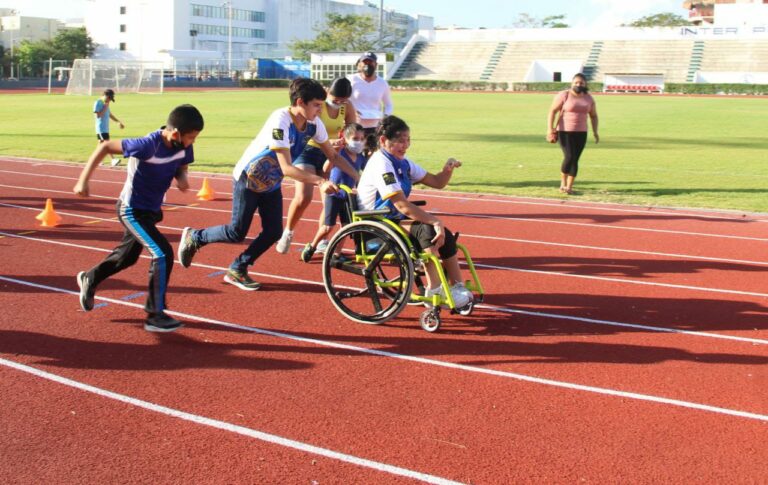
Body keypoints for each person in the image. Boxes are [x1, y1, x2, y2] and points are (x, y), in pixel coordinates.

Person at [177, 78, 357, 290]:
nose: (321, 110)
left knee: (273, 232)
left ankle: (238, 268)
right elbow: (287, 168)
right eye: (317, 105)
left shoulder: (314, 124)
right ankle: (194, 237)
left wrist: (359, 177)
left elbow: (333, 155)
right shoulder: (280, 120)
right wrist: (320, 181)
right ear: (300, 102)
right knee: (236, 232)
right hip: (248, 177)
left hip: (270, 182)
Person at [74, 104, 204, 332]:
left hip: (151, 211)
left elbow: (182, 165)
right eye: (190, 137)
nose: (192, 142)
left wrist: (182, 177)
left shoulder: (184, 147)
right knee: (162, 253)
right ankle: (155, 314)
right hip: (131, 210)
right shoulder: (147, 145)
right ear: (175, 133)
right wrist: (83, 180)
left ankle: (90, 278)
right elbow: (105, 146)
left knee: (127, 257)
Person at [356, 115, 471, 308]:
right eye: (400, 141)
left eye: (408, 140)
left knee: (446, 235)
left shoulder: (402, 161)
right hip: (375, 225)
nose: (406, 145)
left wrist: (448, 169)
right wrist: (434, 221)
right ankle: (434, 289)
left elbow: (436, 182)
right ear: (384, 141)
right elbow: (400, 205)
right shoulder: (381, 164)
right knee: (427, 231)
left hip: (393, 221)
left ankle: (457, 286)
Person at [276, 77, 357, 254]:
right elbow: (308, 128)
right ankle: (288, 231)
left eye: (343, 101)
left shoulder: (347, 107)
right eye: (336, 100)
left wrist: (348, 141)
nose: (339, 104)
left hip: (329, 153)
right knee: (304, 196)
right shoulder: (318, 104)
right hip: (307, 150)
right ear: (328, 93)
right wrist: (330, 141)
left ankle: (323, 240)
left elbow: (352, 130)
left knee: (330, 199)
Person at [300, 122, 367, 263]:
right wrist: (333, 155)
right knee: (327, 227)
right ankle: (312, 246)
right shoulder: (339, 153)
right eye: (355, 138)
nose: (359, 142)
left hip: (348, 197)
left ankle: (337, 254)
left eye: (361, 139)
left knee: (347, 227)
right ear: (345, 139)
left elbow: (363, 175)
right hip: (334, 194)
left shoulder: (360, 157)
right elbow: (325, 169)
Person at [546, 73, 599, 194]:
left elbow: (594, 116)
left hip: (581, 132)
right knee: (569, 156)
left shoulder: (589, 98)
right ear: (572, 83)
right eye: (576, 82)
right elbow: (552, 111)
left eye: (581, 83)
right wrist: (549, 129)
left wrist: (595, 132)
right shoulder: (564, 95)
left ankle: (569, 187)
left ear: (585, 84)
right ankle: (563, 183)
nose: (578, 84)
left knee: (575, 159)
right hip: (564, 131)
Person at [349, 52, 393, 157]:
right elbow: (344, 100)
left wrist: (385, 118)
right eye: (365, 62)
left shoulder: (382, 83)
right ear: (359, 64)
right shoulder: (351, 80)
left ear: (376, 65)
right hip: (355, 125)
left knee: (372, 157)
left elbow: (388, 104)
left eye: (370, 62)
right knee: (354, 155)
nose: (367, 65)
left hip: (374, 126)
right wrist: (352, 112)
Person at [93, 88, 125, 167]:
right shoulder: (98, 102)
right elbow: (98, 115)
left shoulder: (105, 103)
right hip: (100, 128)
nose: (110, 100)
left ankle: (97, 160)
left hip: (105, 128)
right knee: (106, 143)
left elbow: (110, 115)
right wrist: (105, 106)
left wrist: (118, 122)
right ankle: (113, 159)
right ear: (105, 95)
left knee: (101, 144)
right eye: (109, 98)